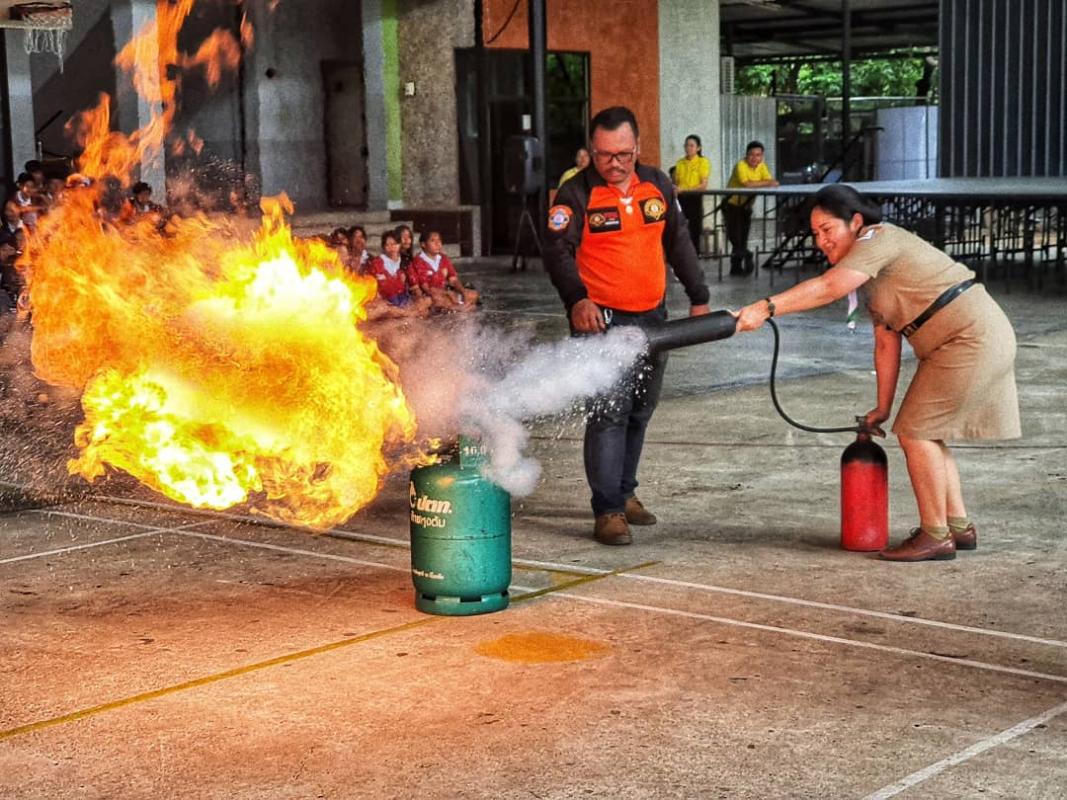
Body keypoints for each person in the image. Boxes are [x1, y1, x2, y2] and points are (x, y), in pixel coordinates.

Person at [735, 184, 1020, 562]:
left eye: (827, 230)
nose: (821, 241)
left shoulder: (877, 238)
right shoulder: (869, 271)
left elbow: (828, 287)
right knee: (927, 433)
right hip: (961, 339)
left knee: (917, 434)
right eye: (815, 233)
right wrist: (881, 407)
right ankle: (957, 526)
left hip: (968, 337)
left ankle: (935, 535)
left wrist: (765, 307)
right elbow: (886, 340)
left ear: (855, 222)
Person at [545, 106, 711, 546]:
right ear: (591, 152)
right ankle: (608, 511)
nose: (614, 163)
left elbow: (678, 238)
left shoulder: (656, 182)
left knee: (640, 410)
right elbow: (557, 250)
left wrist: (699, 295)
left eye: (622, 153)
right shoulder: (574, 194)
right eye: (604, 155)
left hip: (653, 318)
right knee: (608, 414)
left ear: (637, 147)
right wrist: (576, 299)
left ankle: (626, 492)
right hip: (601, 323)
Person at [724, 140, 779, 275]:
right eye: (751, 155)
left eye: (758, 155)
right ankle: (747, 255)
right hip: (732, 204)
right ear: (746, 155)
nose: (755, 158)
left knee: (742, 238)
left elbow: (773, 182)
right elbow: (747, 184)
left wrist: (765, 182)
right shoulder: (740, 166)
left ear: (762, 156)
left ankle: (735, 267)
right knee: (735, 238)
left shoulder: (762, 166)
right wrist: (766, 183)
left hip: (747, 206)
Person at [364, 230, 431, 319]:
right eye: (388, 244)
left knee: (427, 300)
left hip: (404, 301)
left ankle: (405, 314)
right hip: (386, 303)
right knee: (375, 310)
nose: (392, 247)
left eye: (395, 244)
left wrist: (419, 298)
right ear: (383, 247)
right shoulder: (376, 263)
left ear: (400, 245)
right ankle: (407, 314)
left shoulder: (405, 262)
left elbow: (415, 287)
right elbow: (371, 288)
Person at [409, 230, 478, 312]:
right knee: (434, 299)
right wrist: (445, 294)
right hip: (430, 295)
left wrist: (463, 291)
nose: (438, 244)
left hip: (444, 292)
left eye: (439, 240)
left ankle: (457, 305)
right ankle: (455, 307)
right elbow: (426, 288)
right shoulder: (418, 261)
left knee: (472, 294)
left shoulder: (443, 258)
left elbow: (453, 279)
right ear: (423, 244)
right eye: (433, 240)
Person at [673, 134, 711, 254]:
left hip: (694, 198)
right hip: (681, 199)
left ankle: (695, 256)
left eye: (691, 145)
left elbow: (703, 185)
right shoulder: (680, 163)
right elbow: (676, 182)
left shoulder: (703, 162)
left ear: (698, 148)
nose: (688, 148)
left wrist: (685, 190)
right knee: (680, 228)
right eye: (686, 145)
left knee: (695, 230)